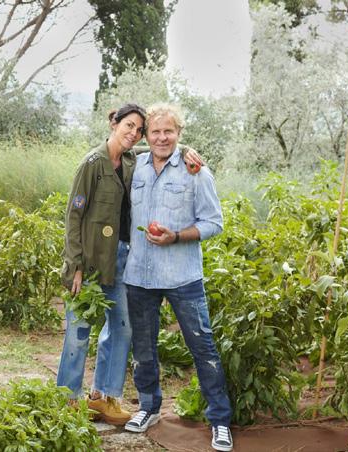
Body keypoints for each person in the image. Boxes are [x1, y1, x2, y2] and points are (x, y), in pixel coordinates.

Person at [58, 103, 202, 425]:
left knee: (121, 329)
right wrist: (75, 265)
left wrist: (186, 150)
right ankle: (68, 399)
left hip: (122, 259)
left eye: (139, 129)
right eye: (129, 126)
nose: (134, 133)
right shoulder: (92, 164)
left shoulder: (129, 160)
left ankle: (103, 398)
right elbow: (73, 217)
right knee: (78, 332)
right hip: (90, 262)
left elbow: (161, 147)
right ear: (114, 123)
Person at [121, 103, 233, 451]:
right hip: (139, 274)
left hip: (183, 276)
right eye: (155, 131)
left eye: (168, 131)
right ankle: (149, 407)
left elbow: (214, 223)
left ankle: (220, 420)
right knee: (143, 347)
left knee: (203, 347)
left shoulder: (195, 171)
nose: (161, 138)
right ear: (146, 135)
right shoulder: (135, 166)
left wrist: (177, 236)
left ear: (179, 133)